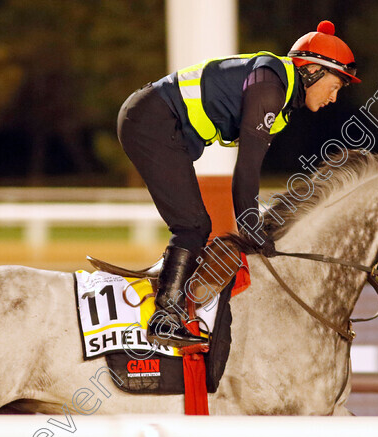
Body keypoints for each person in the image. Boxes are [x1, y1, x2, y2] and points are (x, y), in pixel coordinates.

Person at [117, 20, 360, 347]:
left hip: (158, 120)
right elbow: (245, 172)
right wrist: (252, 229)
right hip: (152, 120)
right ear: (313, 70)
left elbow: (248, 175)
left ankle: (171, 294)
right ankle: (165, 316)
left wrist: (253, 226)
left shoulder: (281, 94)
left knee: (195, 224)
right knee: (193, 225)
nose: (334, 96)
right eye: (335, 84)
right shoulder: (270, 87)